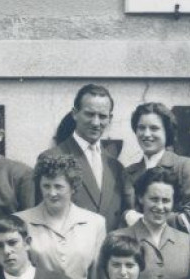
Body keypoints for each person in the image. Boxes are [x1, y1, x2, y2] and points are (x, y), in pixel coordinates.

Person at [15, 152, 108, 279]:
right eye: (46, 186)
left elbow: (98, 277)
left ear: (73, 188)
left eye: (58, 186)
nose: (52, 193)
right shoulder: (21, 221)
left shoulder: (95, 223)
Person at [41, 84, 128, 230]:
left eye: (102, 116)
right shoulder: (51, 158)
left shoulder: (115, 165)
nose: (95, 123)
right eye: (89, 114)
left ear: (110, 119)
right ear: (75, 113)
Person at [114, 164, 190, 279]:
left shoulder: (187, 242)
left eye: (166, 200)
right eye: (154, 199)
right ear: (140, 198)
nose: (160, 207)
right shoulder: (118, 239)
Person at [124, 101, 190, 217]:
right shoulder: (129, 172)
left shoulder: (184, 166)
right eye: (141, 128)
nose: (146, 134)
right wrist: (127, 215)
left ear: (167, 131)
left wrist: (148, 219)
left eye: (154, 128)